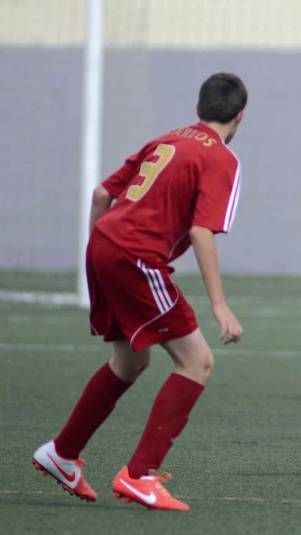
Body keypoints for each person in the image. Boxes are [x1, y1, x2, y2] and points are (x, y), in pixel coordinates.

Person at [31, 72, 248, 511]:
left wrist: (100, 253)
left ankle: (63, 452)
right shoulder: (222, 159)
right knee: (197, 361)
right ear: (241, 116)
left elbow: (100, 194)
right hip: (135, 256)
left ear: (197, 109)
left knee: (130, 359)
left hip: (103, 246)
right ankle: (140, 474)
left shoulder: (165, 140)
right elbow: (201, 231)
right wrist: (221, 307)